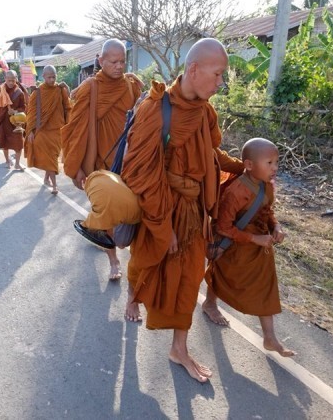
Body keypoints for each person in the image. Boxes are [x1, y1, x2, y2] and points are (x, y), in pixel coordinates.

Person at [121, 38, 245, 382]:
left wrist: (242, 169)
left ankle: (179, 348)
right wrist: (163, 228)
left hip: (192, 213)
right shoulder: (154, 110)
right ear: (194, 69)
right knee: (145, 259)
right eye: (218, 74)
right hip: (159, 207)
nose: (221, 82)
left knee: (189, 279)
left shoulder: (204, 111)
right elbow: (140, 173)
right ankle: (132, 298)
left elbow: (209, 155)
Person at [202, 137, 295, 357]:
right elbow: (223, 227)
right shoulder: (236, 191)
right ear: (250, 165)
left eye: (276, 162)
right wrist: (254, 239)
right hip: (235, 247)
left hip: (260, 248)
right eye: (269, 163)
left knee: (266, 288)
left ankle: (270, 337)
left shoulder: (265, 186)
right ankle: (209, 304)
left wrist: (276, 226)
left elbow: (267, 212)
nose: (275, 168)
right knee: (220, 276)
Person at [62, 38, 142, 281]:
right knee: (108, 212)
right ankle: (114, 260)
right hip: (100, 162)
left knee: (131, 212)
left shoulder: (131, 86)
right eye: (113, 61)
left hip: (129, 161)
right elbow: (75, 130)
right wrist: (76, 167)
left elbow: (141, 120)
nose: (119, 66)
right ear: (101, 61)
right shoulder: (90, 88)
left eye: (123, 61)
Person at [24, 65, 71, 194]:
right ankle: (55, 186)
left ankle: (46, 178)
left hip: (57, 130)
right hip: (43, 131)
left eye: (54, 77)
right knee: (50, 158)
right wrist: (30, 131)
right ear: (43, 76)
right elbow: (31, 114)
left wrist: (69, 125)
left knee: (52, 156)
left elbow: (68, 107)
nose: (52, 80)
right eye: (49, 77)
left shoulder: (60, 90)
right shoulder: (37, 92)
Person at [0, 70, 27, 170]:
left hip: (16, 122)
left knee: (19, 143)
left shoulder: (19, 92)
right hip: (3, 121)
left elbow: (23, 107)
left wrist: (15, 111)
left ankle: (17, 164)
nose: (11, 83)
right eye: (9, 80)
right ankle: (7, 161)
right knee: (5, 143)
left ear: (16, 80)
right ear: (5, 79)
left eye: (13, 80)